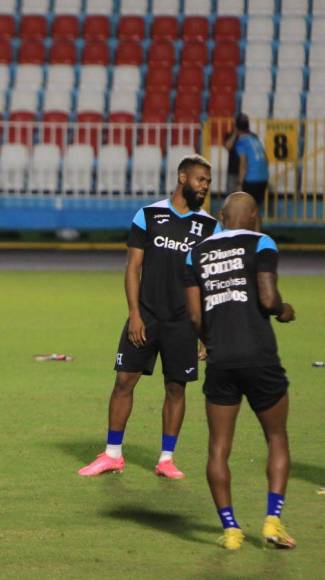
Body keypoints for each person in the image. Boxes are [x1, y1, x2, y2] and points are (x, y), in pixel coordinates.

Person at [78, 155, 221, 479]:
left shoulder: (211, 226)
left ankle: (166, 459)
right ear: (182, 177)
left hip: (184, 321)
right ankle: (112, 454)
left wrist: (205, 331)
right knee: (124, 381)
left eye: (208, 182)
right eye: (201, 180)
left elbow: (209, 281)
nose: (205, 187)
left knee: (176, 388)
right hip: (147, 315)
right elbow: (133, 268)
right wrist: (134, 314)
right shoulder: (149, 215)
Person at [184, 191, 296, 550]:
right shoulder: (261, 242)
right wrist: (283, 309)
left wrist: (212, 341)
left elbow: (194, 316)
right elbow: (267, 297)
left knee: (218, 448)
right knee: (276, 438)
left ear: (221, 216)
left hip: (220, 360)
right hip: (260, 357)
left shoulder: (196, 252)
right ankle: (272, 521)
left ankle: (231, 529)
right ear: (253, 217)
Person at [233, 113, 269, 215]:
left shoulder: (241, 142)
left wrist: (239, 183)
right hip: (263, 177)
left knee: (246, 210)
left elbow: (243, 164)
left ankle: (246, 230)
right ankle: (257, 230)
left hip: (251, 179)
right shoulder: (255, 139)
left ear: (236, 127)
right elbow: (265, 158)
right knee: (256, 210)